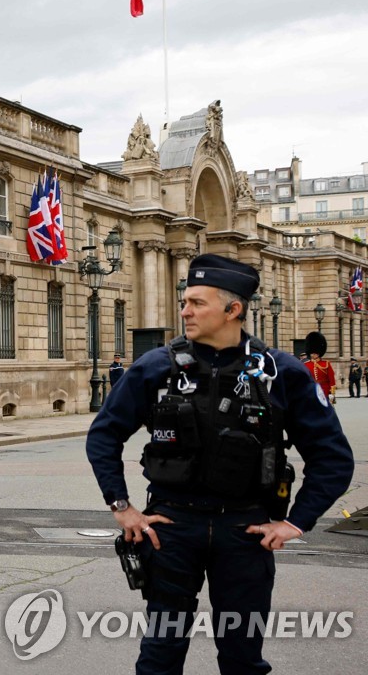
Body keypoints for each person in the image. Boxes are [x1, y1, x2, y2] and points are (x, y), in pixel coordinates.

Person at [86, 253, 354, 674]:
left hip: (245, 532)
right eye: (184, 301)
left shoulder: (279, 373)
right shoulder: (157, 367)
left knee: (243, 659)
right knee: (160, 656)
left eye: (197, 302)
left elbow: (333, 457)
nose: (185, 310)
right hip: (170, 531)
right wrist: (121, 506)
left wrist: (296, 522)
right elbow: (104, 434)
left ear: (234, 310)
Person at [303, 332, 336, 404]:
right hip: (311, 392)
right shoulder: (305, 365)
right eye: (312, 353)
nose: (313, 355)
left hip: (325, 391)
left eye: (315, 353)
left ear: (319, 353)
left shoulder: (326, 364)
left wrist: (332, 396)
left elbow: (332, 380)